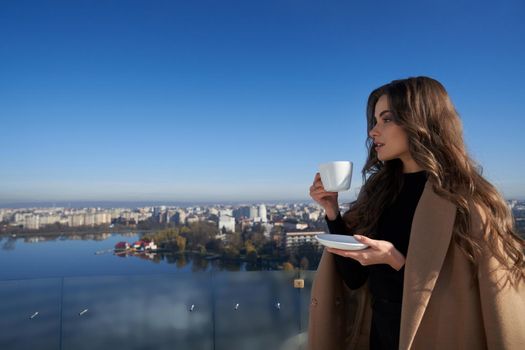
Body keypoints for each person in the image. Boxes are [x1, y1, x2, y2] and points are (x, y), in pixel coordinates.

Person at [307, 76, 525, 350]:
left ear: (421, 122)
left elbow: (475, 299)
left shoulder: (465, 202)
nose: (373, 132)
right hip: (380, 336)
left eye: (386, 120)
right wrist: (332, 212)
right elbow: (355, 278)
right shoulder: (378, 193)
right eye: (374, 121)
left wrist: (396, 260)